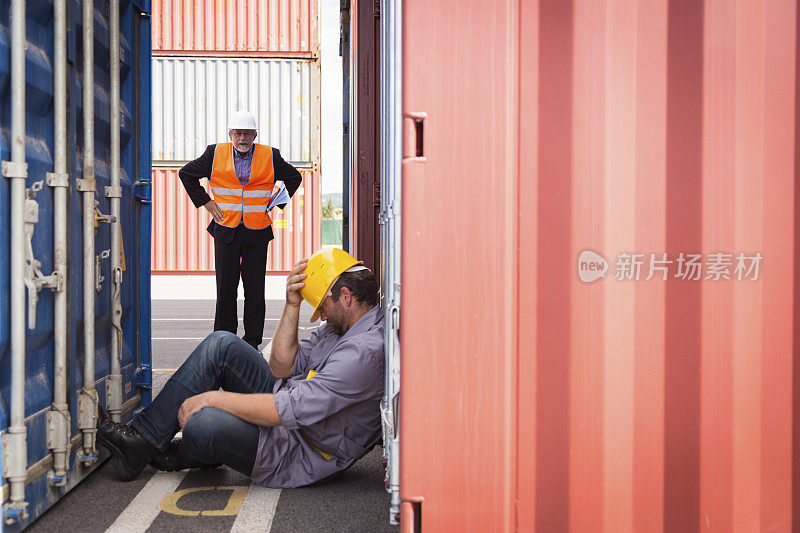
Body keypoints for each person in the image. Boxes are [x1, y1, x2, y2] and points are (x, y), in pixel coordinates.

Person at [97, 249, 384, 488]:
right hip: (291, 412)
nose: (320, 314)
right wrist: (291, 305)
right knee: (221, 344)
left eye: (322, 305)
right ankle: (142, 442)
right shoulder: (340, 328)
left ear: (346, 297)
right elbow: (281, 367)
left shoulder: (363, 353)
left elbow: (288, 409)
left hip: (300, 449)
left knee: (204, 422)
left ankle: (189, 452)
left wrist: (211, 398)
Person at [178, 110, 302, 349]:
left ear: (255, 135)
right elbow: (186, 174)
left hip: (257, 231)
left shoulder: (270, 155)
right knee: (226, 289)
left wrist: (278, 200)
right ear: (230, 134)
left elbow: (294, 177)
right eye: (238, 134)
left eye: (247, 134)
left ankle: (252, 341)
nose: (242, 138)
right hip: (226, 229)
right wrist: (206, 201)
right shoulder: (214, 153)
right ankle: (224, 339)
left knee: (255, 291)